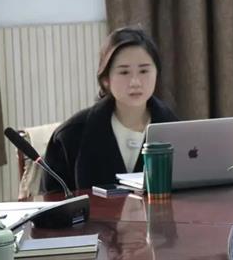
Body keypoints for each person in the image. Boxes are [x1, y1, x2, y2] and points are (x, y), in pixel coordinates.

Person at [42, 27, 178, 192]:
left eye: (144, 71)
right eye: (124, 72)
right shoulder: (71, 134)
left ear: (156, 73)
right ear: (106, 79)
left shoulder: (175, 129)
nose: (135, 82)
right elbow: (52, 199)